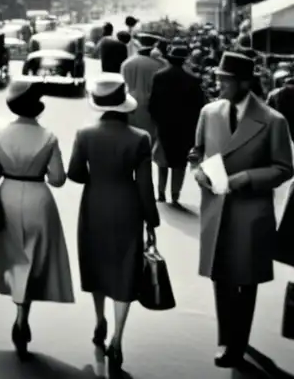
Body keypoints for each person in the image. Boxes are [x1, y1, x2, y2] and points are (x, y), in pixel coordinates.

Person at [188, 51, 294, 367]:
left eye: (224, 80)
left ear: (245, 83)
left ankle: (237, 343)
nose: (217, 85)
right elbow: (196, 152)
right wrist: (197, 172)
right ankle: (226, 340)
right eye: (218, 79)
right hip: (216, 209)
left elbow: (284, 168)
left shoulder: (274, 121)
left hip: (251, 212)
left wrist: (247, 177)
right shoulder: (209, 112)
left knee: (245, 281)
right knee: (220, 276)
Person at [68, 73, 159, 373]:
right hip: (127, 208)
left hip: (94, 205)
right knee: (123, 270)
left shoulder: (84, 134)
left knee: (97, 264)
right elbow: (145, 187)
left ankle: (99, 320)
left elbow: (75, 174)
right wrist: (151, 222)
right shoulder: (140, 139)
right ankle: (118, 338)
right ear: (125, 106)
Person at [0, 79, 73, 360]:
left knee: (15, 259)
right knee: (32, 260)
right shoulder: (49, 137)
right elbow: (58, 180)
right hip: (38, 199)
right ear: (38, 107)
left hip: (6, 197)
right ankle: (22, 315)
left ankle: (19, 311)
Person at [147, 45, 206, 204]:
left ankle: (161, 192)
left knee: (162, 160)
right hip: (185, 127)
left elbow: (152, 103)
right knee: (180, 162)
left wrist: (156, 120)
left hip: (164, 124)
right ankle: (175, 195)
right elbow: (199, 105)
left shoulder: (159, 76)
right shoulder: (193, 79)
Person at [121, 34, 163, 146]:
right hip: (150, 106)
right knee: (149, 140)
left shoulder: (126, 63)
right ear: (154, 46)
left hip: (130, 105)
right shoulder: (159, 65)